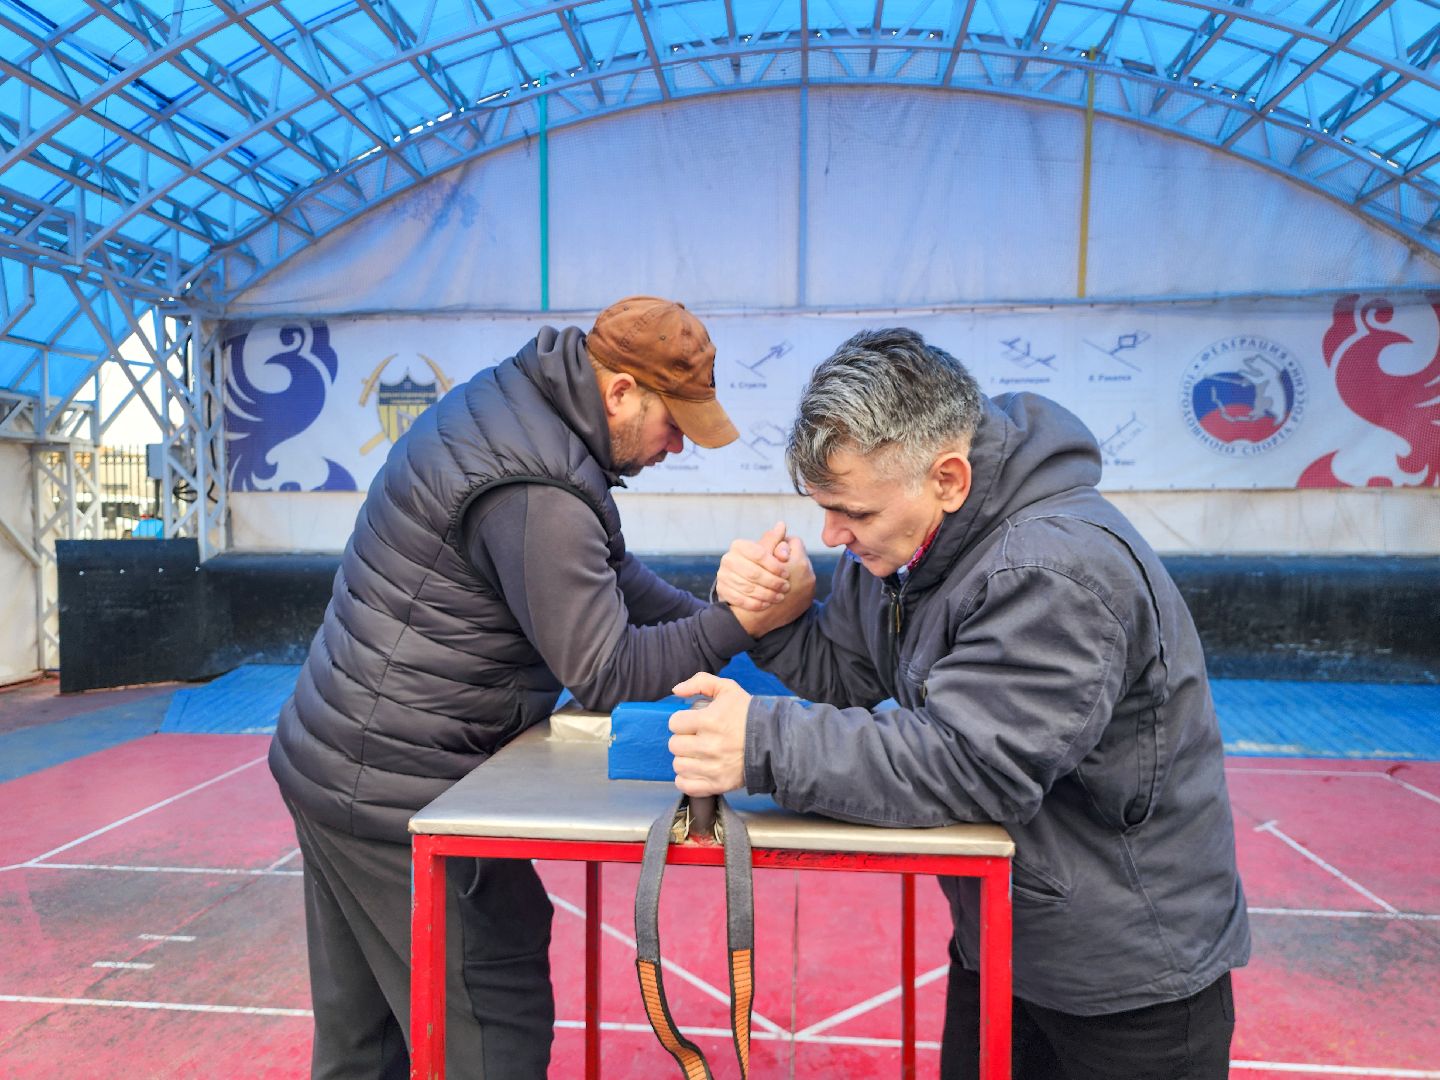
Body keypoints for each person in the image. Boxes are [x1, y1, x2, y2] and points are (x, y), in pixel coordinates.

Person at [669, 327, 1250, 1079]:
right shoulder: (912, 538)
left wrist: (760, 740)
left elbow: (970, 763)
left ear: (948, 477)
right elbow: (848, 675)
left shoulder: (1056, 570)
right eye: (823, 508)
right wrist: (777, 614)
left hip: (1122, 979)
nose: (831, 533)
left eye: (853, 513)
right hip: (1008, 931)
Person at [269, 296, 785, 1079]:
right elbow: (606, 671)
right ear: (618, 392)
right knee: (491, 1027)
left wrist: (739, 625)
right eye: (673, 422)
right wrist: (737, 624)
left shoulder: (522, 414)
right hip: (396, 792)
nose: (678, 446)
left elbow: (620, 584)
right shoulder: (537, 483)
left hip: (340, 764)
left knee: (364, 1045)